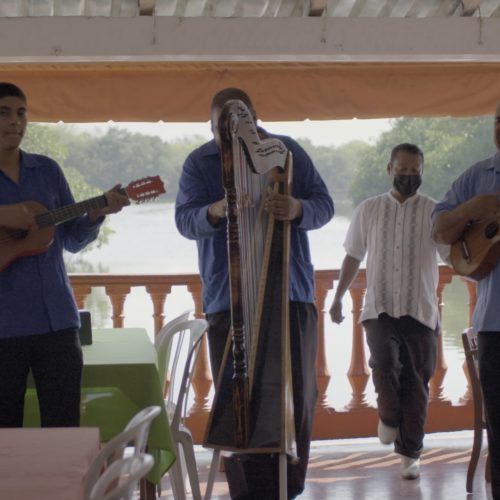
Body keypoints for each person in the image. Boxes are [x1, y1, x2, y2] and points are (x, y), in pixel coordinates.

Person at [175, 87, 334, 499]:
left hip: (291, 295)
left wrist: (296, 209)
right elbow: (184, 221)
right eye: (219, 129)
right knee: (238, 402)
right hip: (227, 299)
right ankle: (248, 492)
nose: (227, 136)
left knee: (300, 396)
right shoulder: (198, 163)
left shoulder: (287, 151)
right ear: (211, 127)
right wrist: (216, 210)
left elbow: (324, 205)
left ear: (253, 119)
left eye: (235, 126)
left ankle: (288, 488)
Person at [0, 82, 130, 428]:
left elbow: (71, 239)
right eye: (4, 113)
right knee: (4, 434)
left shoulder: (47, 171)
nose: (14, 121)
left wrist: (95, 214)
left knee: (64, 427)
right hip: (4, 325)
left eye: (21, 113)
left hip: (56, 322)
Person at [329, 143, 449, 480]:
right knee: (383, 363)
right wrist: (338, 297)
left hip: (420, 309)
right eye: (402, 169)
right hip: (379, 308)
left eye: (415, 171)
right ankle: (389, 415)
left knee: (417, 384)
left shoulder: (433, 211)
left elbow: (451, 254)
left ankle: (410, 454)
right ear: (389, 169)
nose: (408, 176)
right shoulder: (368, 209)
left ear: (422, 172)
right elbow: (353, 255)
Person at [432, 103, 500, 499]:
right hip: (494, 326)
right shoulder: (477, 176)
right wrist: (475, 207)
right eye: (498, 120)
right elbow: (440, 230)